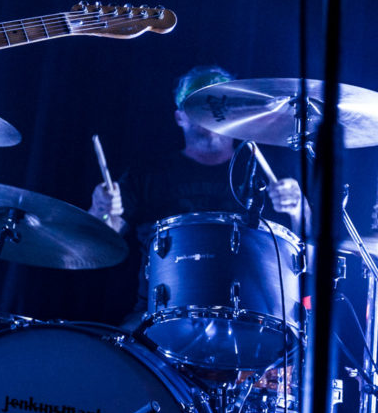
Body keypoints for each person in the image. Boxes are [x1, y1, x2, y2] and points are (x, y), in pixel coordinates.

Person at [90, 65, 307, 320]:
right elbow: (101, 238)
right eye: (199, 105)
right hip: (159, 319)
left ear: (235, 115)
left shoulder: (266, 173)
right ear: (179, 117)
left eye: (218, 104)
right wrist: (102, 211)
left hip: (252, 318)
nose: (210, 113)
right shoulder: (148, 174)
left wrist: (299, 208)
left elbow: (309, 245)